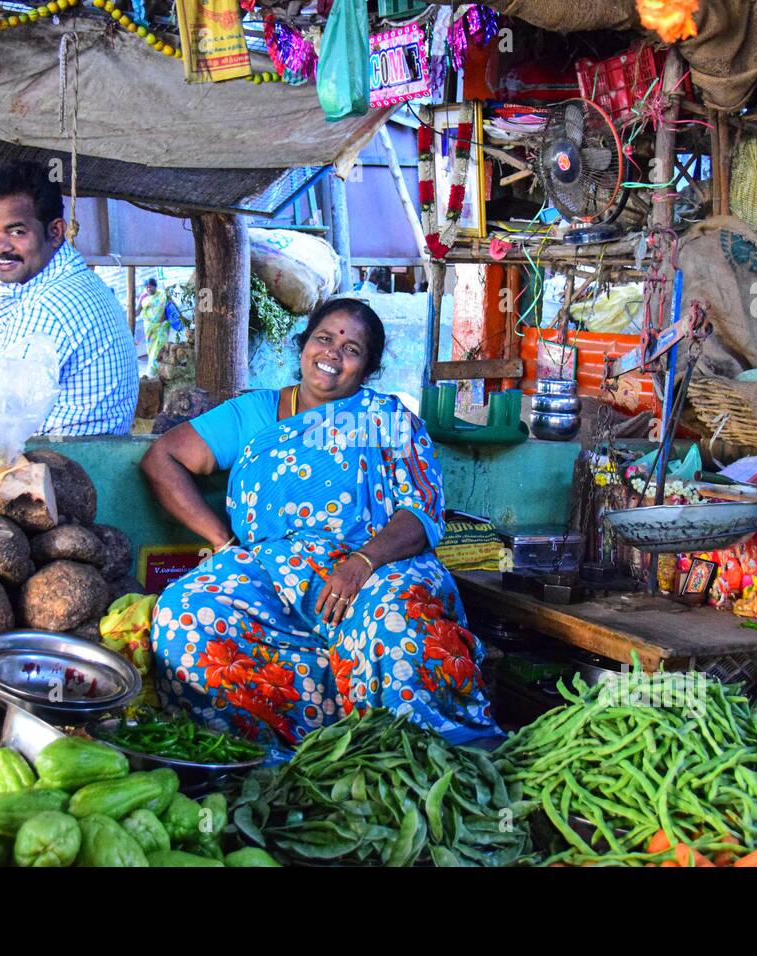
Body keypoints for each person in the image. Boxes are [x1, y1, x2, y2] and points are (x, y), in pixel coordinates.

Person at [140, 298, 498, 748]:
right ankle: (259, 760)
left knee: (399, 625)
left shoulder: (386, 420)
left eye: (352, 349)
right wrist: (223, 541)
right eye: (324, 338)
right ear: (304, 344)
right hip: (268, 574)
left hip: (375, 571)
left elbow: (421, 509)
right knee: (185, 614)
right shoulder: (255, 413)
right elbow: (162, 458)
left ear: (367, 369)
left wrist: (361, 563)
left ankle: (401, 761)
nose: (332, 353)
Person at [0, 161, 138, 436]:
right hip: (72, 454)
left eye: (17, 232)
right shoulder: (65, 282)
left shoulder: (50, 304)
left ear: (55, 232)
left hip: (62, 465)